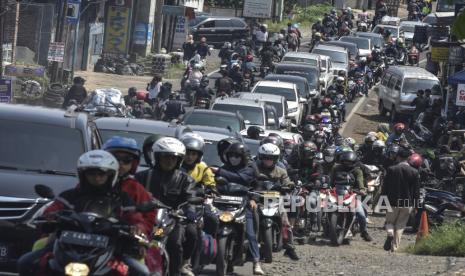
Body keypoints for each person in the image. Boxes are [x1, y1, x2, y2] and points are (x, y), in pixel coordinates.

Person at [17, 150, 150, 276]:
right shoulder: (70, 195)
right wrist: (48, 219)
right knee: (26, 261)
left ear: (111, 175)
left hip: (112, 246)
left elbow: (136, 219)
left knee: (142, 270)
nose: (96, 178)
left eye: (101, 174)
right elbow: (52, 211)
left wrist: (137, 228)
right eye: (91, 174)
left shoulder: (121, 199)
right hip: (67, 244)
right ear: (82, 174)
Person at [135, 137, 198, 276]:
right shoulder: (142, 176)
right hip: (145, 219)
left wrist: (189, 211)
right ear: (157, 157)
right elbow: (129, 196)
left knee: (176, 242)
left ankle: (179, 268)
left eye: (173, 158)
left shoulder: (186, 179)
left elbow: (190, 199)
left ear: (179, 160)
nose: (169, 160)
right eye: (165, 157)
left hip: (171, 221)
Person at [210, 142, 265, 275]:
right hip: (222, 204)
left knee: (251, 233)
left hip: (244, 204)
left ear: (244, 157)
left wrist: (254, 199)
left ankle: (256, 262)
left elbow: (243, 179)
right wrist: (211, 190)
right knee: (207, 223)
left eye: (237, 156)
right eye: (231, 155)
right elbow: (214, 182)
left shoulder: (250, 169)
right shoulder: (224, 167)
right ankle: (199, 258)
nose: (234, 158)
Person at [103, 136, 156, 234]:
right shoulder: (91, 182)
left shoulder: (135, 188)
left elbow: (149, 218)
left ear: (134, 163)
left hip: (121, 238)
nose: (120, 163)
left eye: (127, 160)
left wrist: (140, 227)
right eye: (115, 159)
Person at [255, 143, 299, 260]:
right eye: (266, 158)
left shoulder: (281, 171)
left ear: (276, 159)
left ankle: (289, 247)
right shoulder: (254, 169)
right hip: (257, 199)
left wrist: (289, 185)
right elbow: (247, 179)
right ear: (261, 157)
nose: (268, 161)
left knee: (285, 221)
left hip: (276, 199)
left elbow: (287, 181)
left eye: (271, 158)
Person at [381, 146, 420, 252]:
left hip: (392, 201)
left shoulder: (391, 169)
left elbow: (385, 187)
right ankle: (394, 248)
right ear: (408, 158)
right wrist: (416, 206)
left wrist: (382, 201)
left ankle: (389, 234)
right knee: (400, 225)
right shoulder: (414, 172)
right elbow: (416, 192)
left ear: (398, 157)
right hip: (407, 202)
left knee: (389, 222)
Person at [179, 133, 218, 236]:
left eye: (193, 154)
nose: (190, 157)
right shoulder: (175, 165)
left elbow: (210, 181)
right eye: (187, 153)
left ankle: (211, 243)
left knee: (212, 219)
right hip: (176, 201)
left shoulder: (202, 167)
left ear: (198, 156)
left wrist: (211, 189)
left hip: (197, 202)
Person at [331, 151, 373, 242]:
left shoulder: (357, 170)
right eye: (345, 162)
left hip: (352, 194)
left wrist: (362, 189)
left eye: (349, 162)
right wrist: (327, 187)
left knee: (361, 214)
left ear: (354, 162)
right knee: (325, 207)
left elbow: (360, 180)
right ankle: (326, 228)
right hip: (337, 192)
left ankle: (364, 232)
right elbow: (331, 180)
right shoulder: (336, 168)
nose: (347, 164)